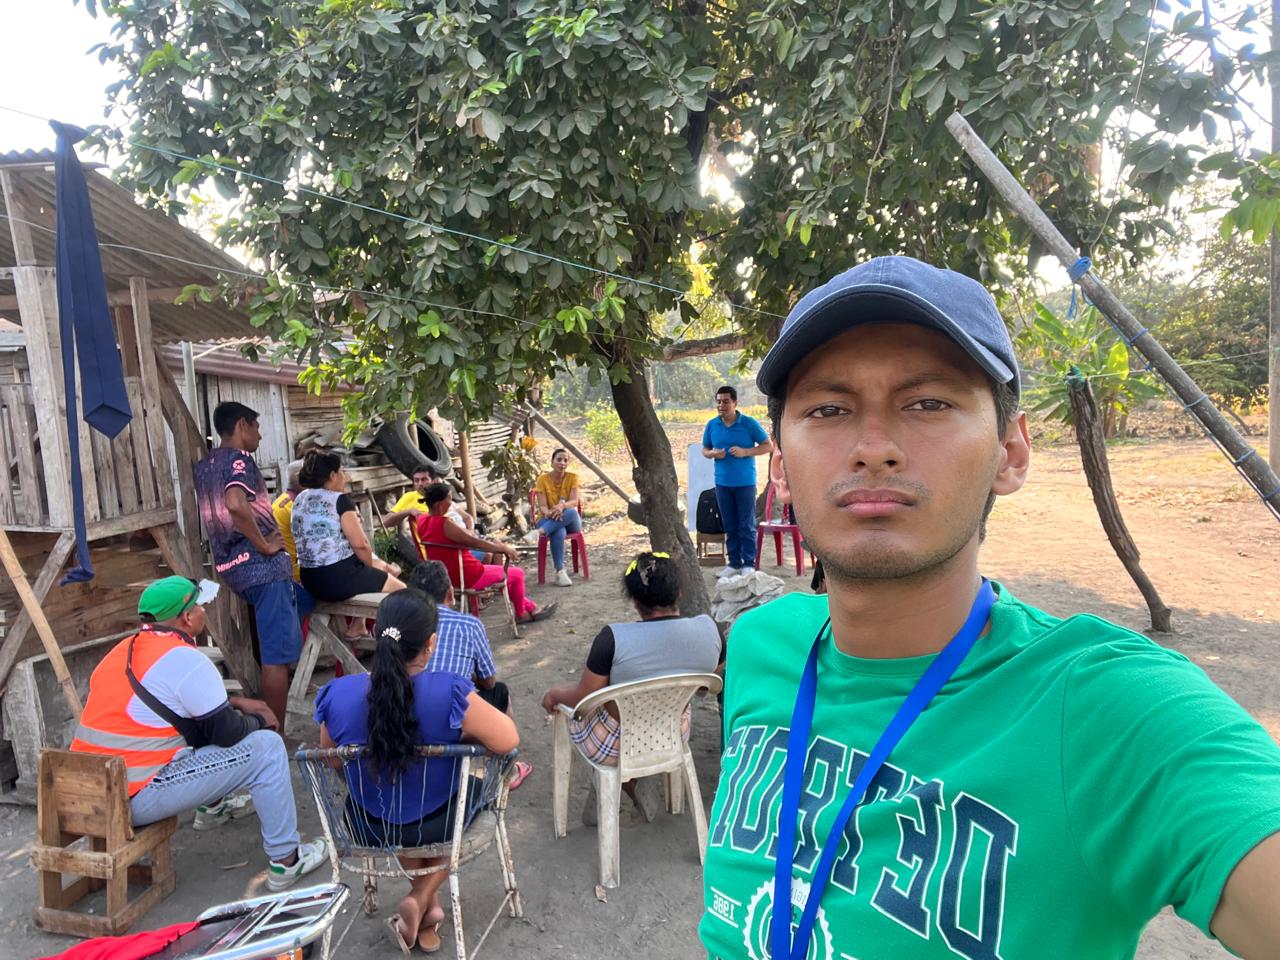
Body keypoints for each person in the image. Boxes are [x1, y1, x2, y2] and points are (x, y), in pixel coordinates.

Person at [699, 256, 1280, 960]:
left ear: (1010, 452)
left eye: (928, 403)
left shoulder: (1106, 710)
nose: (874, 449)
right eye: (827, 410)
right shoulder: (761, 645)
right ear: (782, 470)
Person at [70, 577, 329, 892]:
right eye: (200, 606)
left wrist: (235, 702)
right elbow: (227, 733)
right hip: (132, 798)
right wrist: (259, 721)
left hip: (87, 791)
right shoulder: (186, 660)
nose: (204, 610)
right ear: (187, 618)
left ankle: (212, 808)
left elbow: (171, 707)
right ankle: (287, 860)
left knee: (193, 724)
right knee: (268, 748)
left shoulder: (121, 652)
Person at [314, 590, 519, 953]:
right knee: (469, 792)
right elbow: (508, 740)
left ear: (375, 635)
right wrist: (461, 735)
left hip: (367, 825)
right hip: (439, 822)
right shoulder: (449, 692)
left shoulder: (338, 693)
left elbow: (331, 759)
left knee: (401, 800)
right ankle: (422, 896)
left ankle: (426, 907)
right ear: (431, 643)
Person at [541, 551, 721, 821]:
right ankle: (635, 780)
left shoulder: (612, 639)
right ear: (679, 592)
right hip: (673, 732)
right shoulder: (710, 631)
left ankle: (623, 781)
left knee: (581, 711)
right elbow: (709, 683)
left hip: (615, 745)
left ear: (635, 602)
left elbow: (582, 699)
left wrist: (554, 694)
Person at [194, 401, 314, 733]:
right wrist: (263, 545)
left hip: (232, 568)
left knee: (304, 602)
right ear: (242, 425)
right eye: (257, 427)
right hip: (263, 570)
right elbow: (235, 503)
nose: (260, 435)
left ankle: (266, 719)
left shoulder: (205, 466)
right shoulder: (239, 460)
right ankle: (274, 735)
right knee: (277, 659)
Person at [417, 482, 557, 625]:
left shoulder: (421, 520)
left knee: (504, 576)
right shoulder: (445, 523)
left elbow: (417, 514)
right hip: (468, 575)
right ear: (440, 504)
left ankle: (531, 607)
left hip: (447, 576)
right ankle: (521, 614)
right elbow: (474, 542)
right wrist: (503, 549)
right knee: (517, 574)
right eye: (449, 499)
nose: (451, 502)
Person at [292, 450, 406, 619]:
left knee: (369, 572)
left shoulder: (300, 498)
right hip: (336, 579)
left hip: (309, 579)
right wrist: (371, 568)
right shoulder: (339, 500)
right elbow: (361, 545)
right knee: (402, 591)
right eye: (342, 471)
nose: (344, 477)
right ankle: (396, 633)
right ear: (333, 475)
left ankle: (357, 625)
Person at [701, 385, 773, 577]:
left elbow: (768, 446)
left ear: (735, 403)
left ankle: (749, 564)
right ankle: (734, 564)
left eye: (726, 401)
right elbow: (705, 449)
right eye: (718, 402)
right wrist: (713, 453)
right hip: (722, 483)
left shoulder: (748, 423)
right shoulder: (712, 425)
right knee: (729, 525)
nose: (721, 405)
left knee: (746, 525)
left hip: (745, 483)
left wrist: (746, 452)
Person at [384, 465, 494, 563]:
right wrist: (409, 511)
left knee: (495, 548)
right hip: (445, 547)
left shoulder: (440, 494)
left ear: (433, 481)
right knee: (488, 554)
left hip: (463, 538)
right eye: (416, 480)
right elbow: (386, 522)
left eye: (424, 479)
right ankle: (479, 577)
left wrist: (470, 532)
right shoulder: (410, 497)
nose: (420, 484)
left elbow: (467, 517)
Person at [533, 448, 583, 587]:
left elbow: (574, 502)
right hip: (547, 518)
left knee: (572, 512)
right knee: (559, 531)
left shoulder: (573, 478)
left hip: (570, 520)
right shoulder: (542, 480)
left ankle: (539, 532)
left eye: (565, 460)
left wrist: (561, 507)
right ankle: (560, 572)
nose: (562, 463)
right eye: (559, 459)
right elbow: (543, 506)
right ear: (552, 462)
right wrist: (550, 513)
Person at [271, 459, 305, 582]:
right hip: (296, 574)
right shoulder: (296, 507)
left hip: (283, 569)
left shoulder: (282, 500)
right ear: (300, 477)